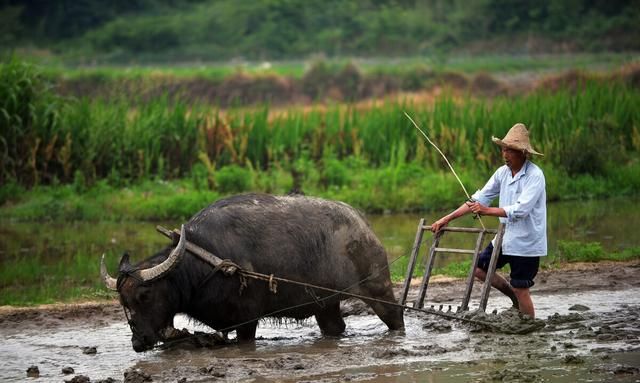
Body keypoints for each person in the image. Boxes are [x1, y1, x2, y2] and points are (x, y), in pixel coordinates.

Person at [430, 123, 546, 319]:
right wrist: (447, 218)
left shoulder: (535, 176)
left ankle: (530, 327)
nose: (505, 154)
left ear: (523, 153)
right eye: (504, 149)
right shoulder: (502, 173)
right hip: (505, 238)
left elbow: (521, 210)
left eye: (510, 150)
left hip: (527, 242)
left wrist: (486, 210)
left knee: (521, 287)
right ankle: (513, 299)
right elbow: (478, 199)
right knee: (479, 268)